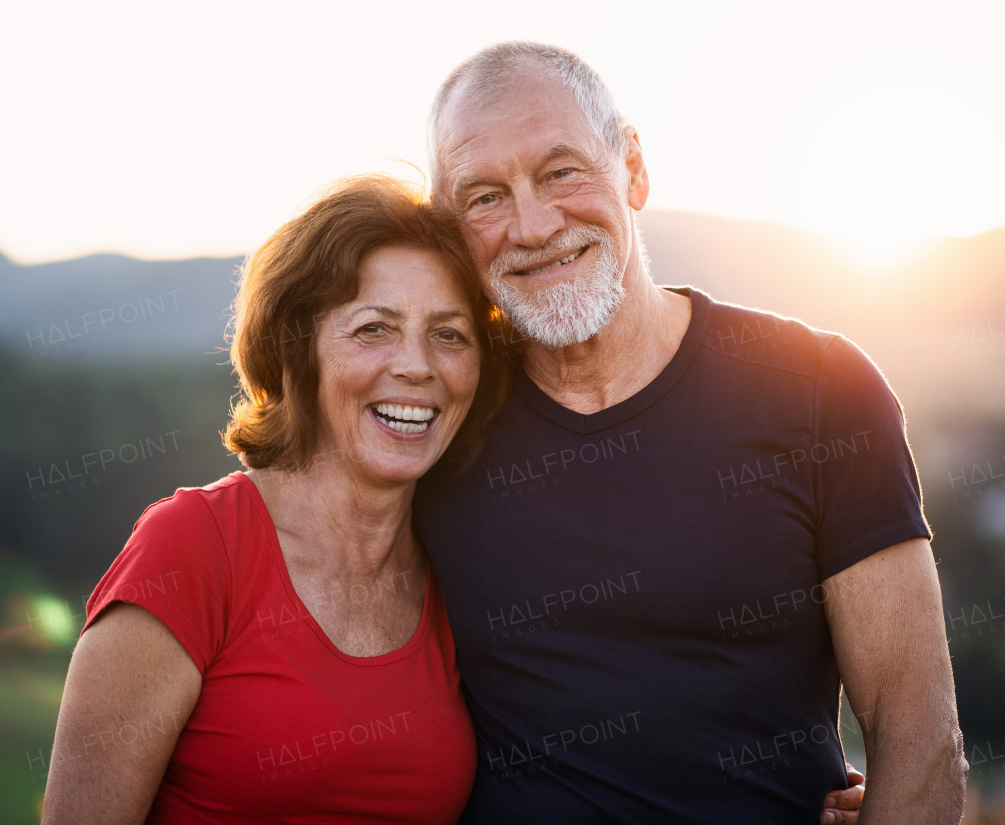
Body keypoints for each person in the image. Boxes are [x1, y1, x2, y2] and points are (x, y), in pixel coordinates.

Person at [413, 42, 968, 823]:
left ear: (632, 168)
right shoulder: (433, 414)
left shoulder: (821, 391)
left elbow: (920, 738)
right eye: (484, 197)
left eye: (562, 171)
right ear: (448, 227)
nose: (533, 225)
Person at [40, 175, 508, 823]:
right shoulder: (194, 545)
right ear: (297, 352)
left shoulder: (457, 572)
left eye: (450, 335)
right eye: (374, 328)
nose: (416, 365)